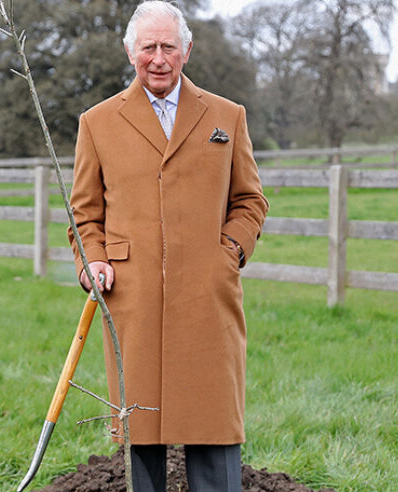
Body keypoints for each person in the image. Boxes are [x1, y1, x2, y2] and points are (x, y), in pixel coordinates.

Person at [67, 2, 269, 491]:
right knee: (142, 435)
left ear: (187, 51)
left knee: (213, 428)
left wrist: (228, 256)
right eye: (148, 47)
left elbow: (250, 200)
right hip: (133, 301)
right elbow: (83, 214)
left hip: (207, 299)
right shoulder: (97, 122)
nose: (158, 59)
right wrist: (93, 260)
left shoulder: (227, 116)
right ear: (130, 51)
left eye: (168, 47)